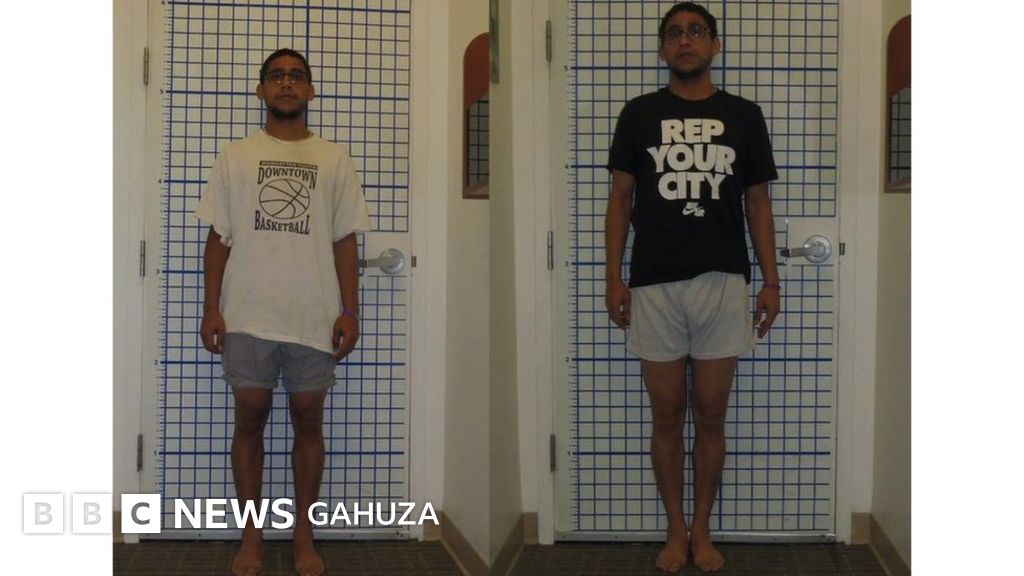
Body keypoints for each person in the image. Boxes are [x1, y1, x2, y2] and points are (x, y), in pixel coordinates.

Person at [604, 3, 781, 573]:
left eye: (697, 31)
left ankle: (701, 529)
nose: (686, 41)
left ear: (714, 45)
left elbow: (758, 202)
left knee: (709, 414)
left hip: (722, 281)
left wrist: (771, 280)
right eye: (675, 33)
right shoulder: (638, 114)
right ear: (663, 49)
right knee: (666, 415)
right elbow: (620, 199)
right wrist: (613, 276)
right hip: (653, 284)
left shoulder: (744, 116)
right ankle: (673, 530)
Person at [195, 48, 371, 576]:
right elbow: (218, 238)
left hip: (312, 316)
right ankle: (250, 536)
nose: (287, 84)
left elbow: (344, 241)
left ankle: (303, 536)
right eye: (276, 76)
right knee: (249, 419)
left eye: (296, 76)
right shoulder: (235, 156)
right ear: (261, 90)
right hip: (247, 314)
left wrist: (350, 311)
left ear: (310, 90)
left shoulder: (334, 159)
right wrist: (210, 309)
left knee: (307, 422)